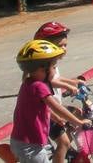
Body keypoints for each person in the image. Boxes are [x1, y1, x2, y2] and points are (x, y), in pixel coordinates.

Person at [11, 39, 88, 163]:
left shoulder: (28, 83)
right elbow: (57, 107)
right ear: (43, 69)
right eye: (53, 67)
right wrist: (79, 122)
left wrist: (56, 118)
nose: (55, 70)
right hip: (29, 145)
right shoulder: (39, 86)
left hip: (27, 142)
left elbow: (41, 108)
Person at [32, 21, 83, 163]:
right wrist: (71, 86)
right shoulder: (44, 66)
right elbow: (52, 80)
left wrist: (73, 82)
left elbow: (56, 78)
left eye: (65, 45)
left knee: (76, 112)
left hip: (54, 107)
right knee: (64, 142)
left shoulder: (52, 63)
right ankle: (62, 150)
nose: (64, 49)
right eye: (60, 46)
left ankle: (64, 152)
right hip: (47, 113)